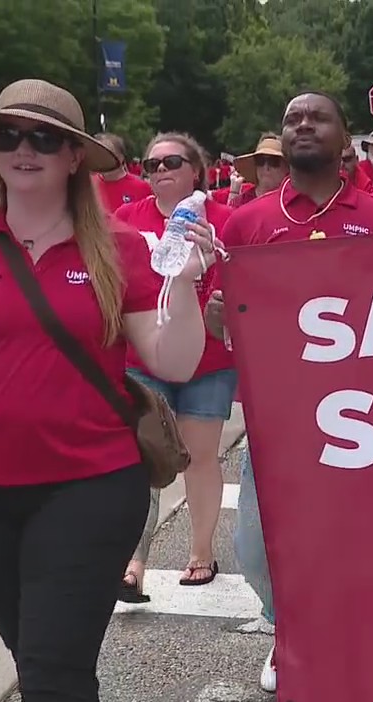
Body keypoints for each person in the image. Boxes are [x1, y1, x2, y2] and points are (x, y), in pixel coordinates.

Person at [0, 78, 215, 702]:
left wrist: (188, 286)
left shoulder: (120, 250)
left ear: (73, 156)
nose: (24, 149)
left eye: (44, 137)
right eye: (8, 134)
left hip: (90, 488)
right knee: (39, 665)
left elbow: (174, 359)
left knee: (54, 672)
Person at [207, 89, 373, 694]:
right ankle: (284, 628)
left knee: (358, 541)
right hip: (278, 419)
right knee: (259, 545)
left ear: (344, 139)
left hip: (365, 416)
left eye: (318, 117)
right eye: (293, 119)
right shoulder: (247, 224)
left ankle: (353, 639)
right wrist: (218, 317)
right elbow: (222, 321)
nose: (304, 126)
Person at [113, 132, 237, 601]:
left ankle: (201, 552)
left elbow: (241, 289)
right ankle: (133, 563)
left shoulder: (224, 220)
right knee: (145, 457)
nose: (160, 172)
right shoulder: (129, 219)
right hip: (144, 356)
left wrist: (213, 266)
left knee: (200, 457)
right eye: (150, 165)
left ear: (195, 171)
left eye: (171, 162)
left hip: (209, 359)